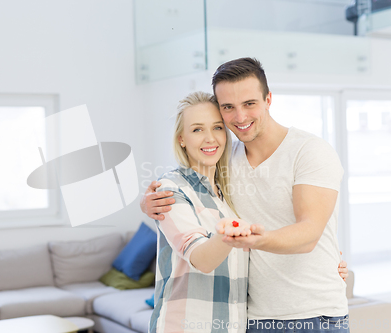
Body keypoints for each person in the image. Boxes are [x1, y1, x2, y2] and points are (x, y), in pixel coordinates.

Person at [142, 58, 350, 333]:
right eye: (228, 107)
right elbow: (189, 194)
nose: (240, 117)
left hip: (313, 315)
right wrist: (147, 204)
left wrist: (254, 239)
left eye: (249, 104)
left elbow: (309, 233)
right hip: (252, 318)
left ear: (268, 99)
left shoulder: (310, 151)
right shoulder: (227, 163)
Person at [149, 91, 252, 333]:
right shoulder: (170, 188)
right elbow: (201, 259)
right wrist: (233, 232)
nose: (210, 139)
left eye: (217, 128)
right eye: (197, 130)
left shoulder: (227, 195)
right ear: (181, 138)